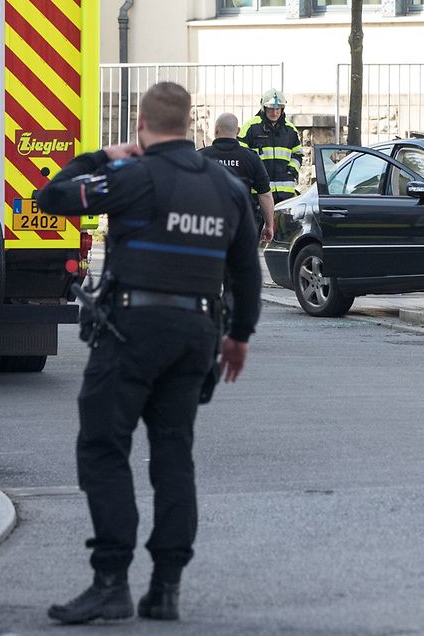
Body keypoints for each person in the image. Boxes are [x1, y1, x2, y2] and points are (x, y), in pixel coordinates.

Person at [39, 82, 261, 625]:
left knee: (103, 446)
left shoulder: (132, 176)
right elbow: (247, 269)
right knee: (172, 453)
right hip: (198, 336)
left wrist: (101, 156)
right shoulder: (227, 187)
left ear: (141, 123)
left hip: (132, 332)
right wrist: (240, 336)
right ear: (189, 125)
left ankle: (111, 580)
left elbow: (52, 196)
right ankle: (166, 587)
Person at [199, 112, 275, 243]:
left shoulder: (200, 157)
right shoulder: (252, 158)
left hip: (208, 226)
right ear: (238, 131)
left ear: (216, 130)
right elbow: (265, 195)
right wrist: (269, 225)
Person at [240, 88, 302, 204]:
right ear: (264, 108)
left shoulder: (290, 130)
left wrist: (291, 171)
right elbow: (241, 154)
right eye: (271, 109)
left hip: (285, 194)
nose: (274, 113)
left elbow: (298, 154)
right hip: (259, 193)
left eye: (278, 109)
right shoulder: (250, 127)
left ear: (282, 109)